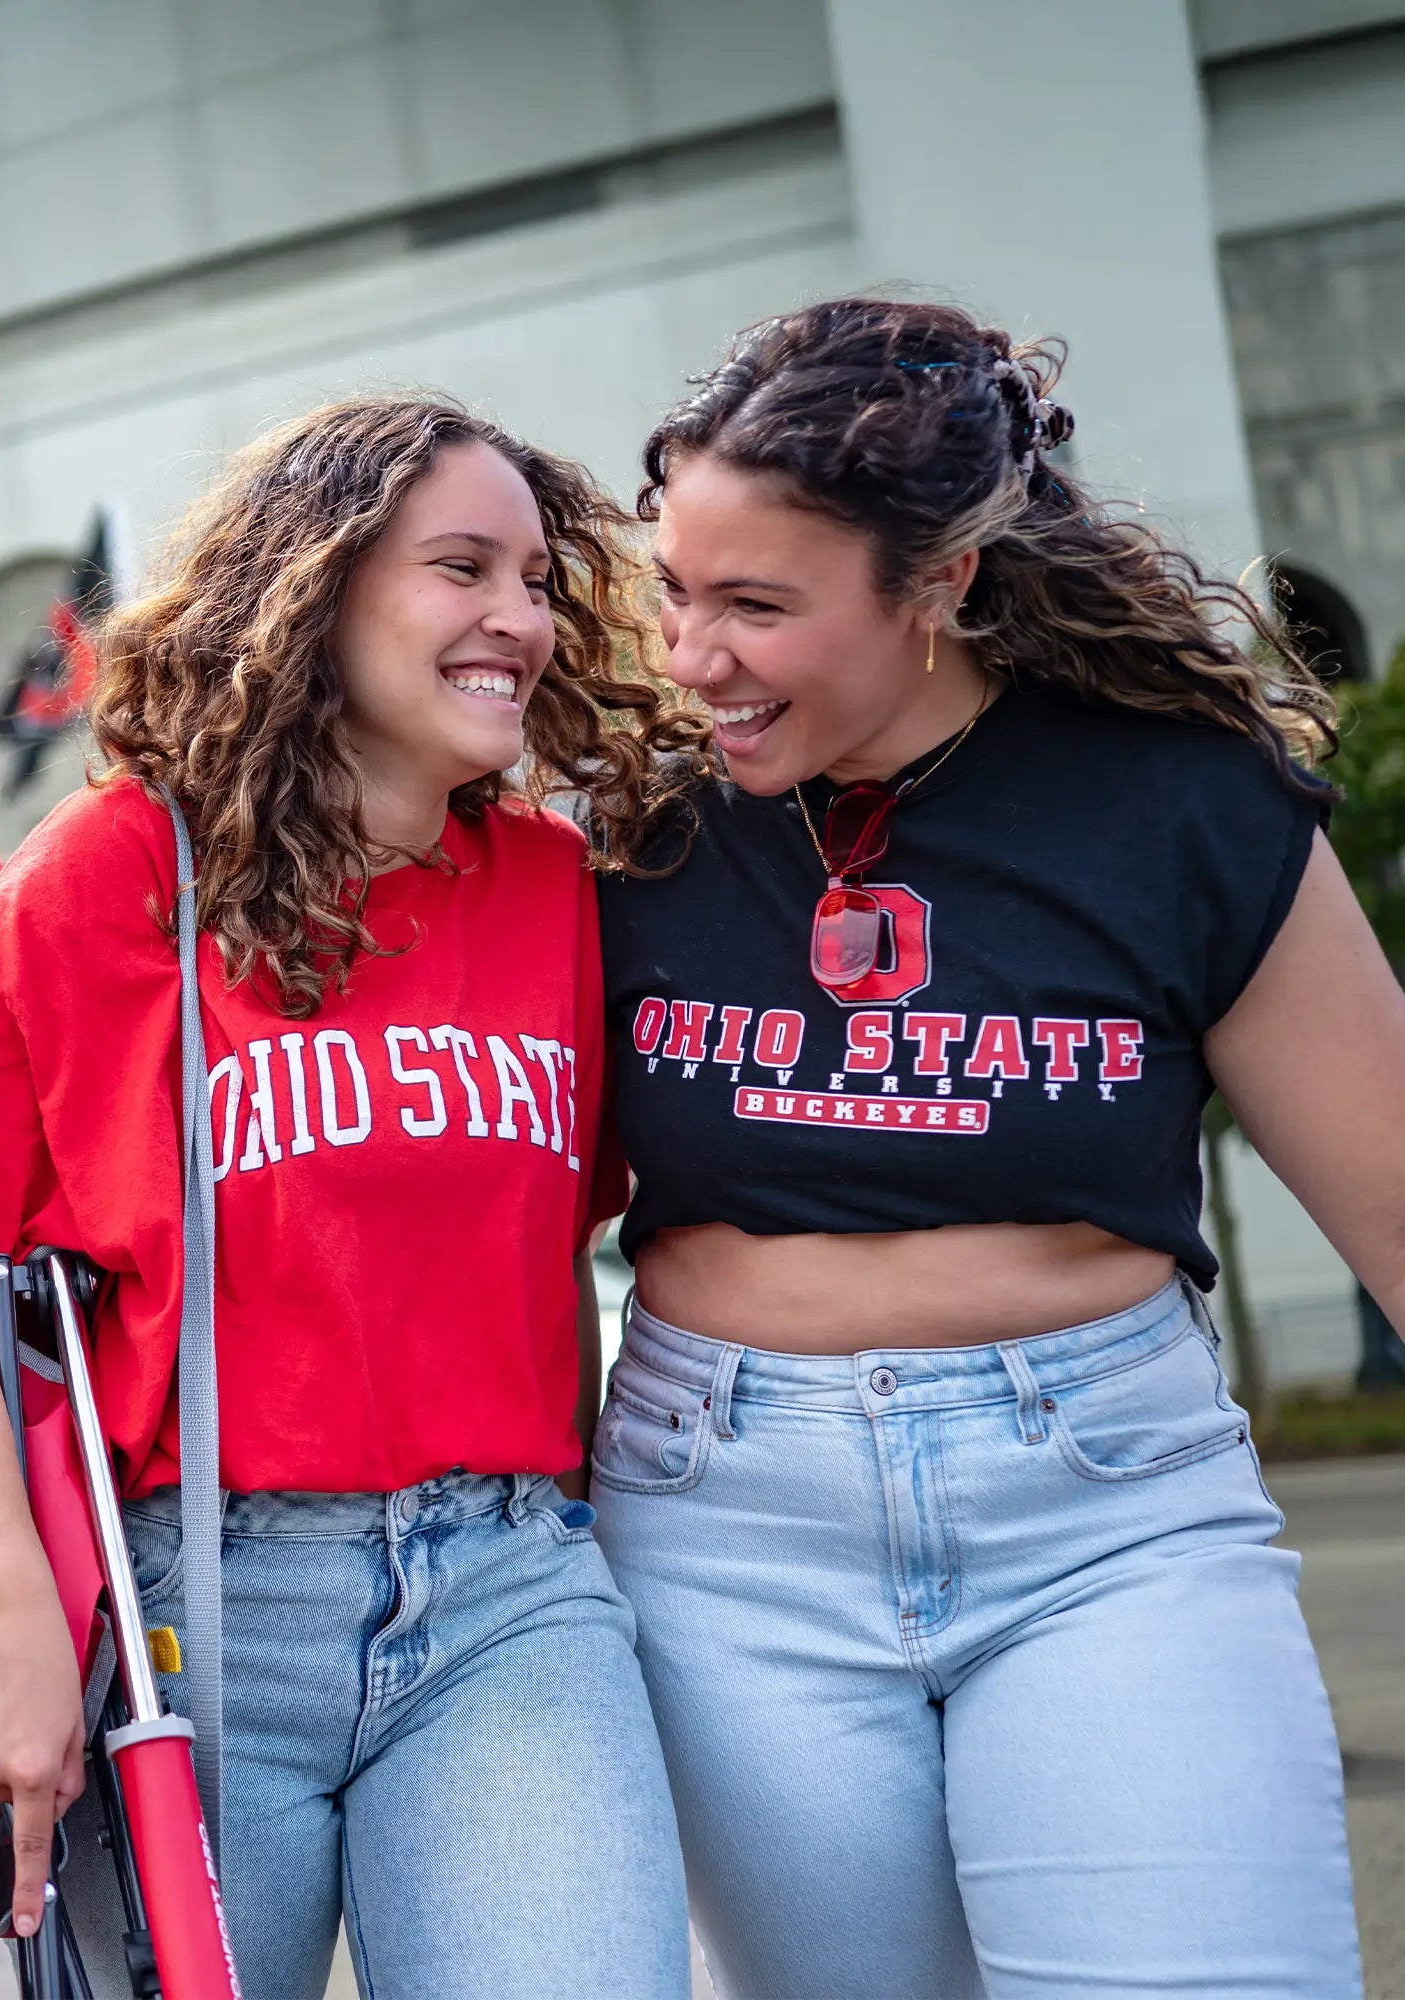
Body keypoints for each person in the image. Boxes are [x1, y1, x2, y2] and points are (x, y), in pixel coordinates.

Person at [0, 397, 695, 2000]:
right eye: (463, 568)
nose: (521, 621)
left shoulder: (556, 894)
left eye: (541, 581)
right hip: (198, 1622)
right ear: (320, 588)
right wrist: (2, 1609)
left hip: (510, 1598)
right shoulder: (122, 871)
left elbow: (556, 1256)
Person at [590, 298, 1379, 1997]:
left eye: (756, 606)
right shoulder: (629, 825)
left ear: (937, 584)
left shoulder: (1177, 799)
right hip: (724, 1538)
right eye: (674, 589)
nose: (689, 658)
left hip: (1105, 1519)